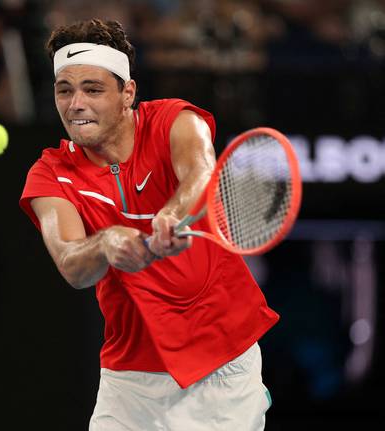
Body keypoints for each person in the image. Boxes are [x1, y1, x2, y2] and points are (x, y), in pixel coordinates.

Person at [19, 18, 279, 430]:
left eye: (93, 89)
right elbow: (71, 264)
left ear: (128, 94)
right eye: (64, 90)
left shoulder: (175, 120)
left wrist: (173, 215)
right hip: (129, 380)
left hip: (220, 366)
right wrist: (105, 244)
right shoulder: (50, 173)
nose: (75, 104)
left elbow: (201, 172)